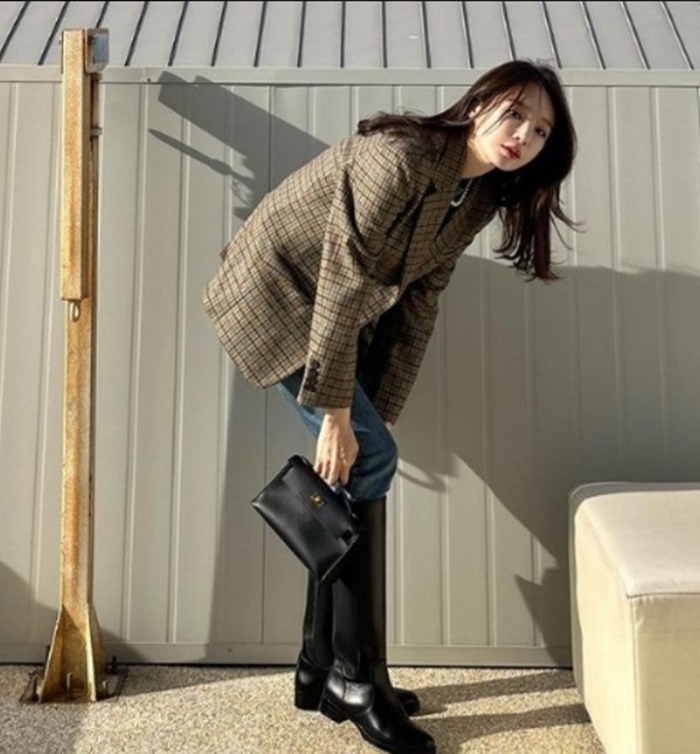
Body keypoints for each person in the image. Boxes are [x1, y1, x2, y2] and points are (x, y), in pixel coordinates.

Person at [203, 58, 579, 754]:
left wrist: (379, 410)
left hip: (331, 315)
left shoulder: (477, 197)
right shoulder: (400, 157)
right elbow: (345, 274)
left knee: (359, 462)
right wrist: (340, 415)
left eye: (541, 130)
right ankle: (355, 677)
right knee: (366, 458)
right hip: (276, 297)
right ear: (479, 104)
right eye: (515, 114)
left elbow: (420, 302)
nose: (524, 135)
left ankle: (320, 665)